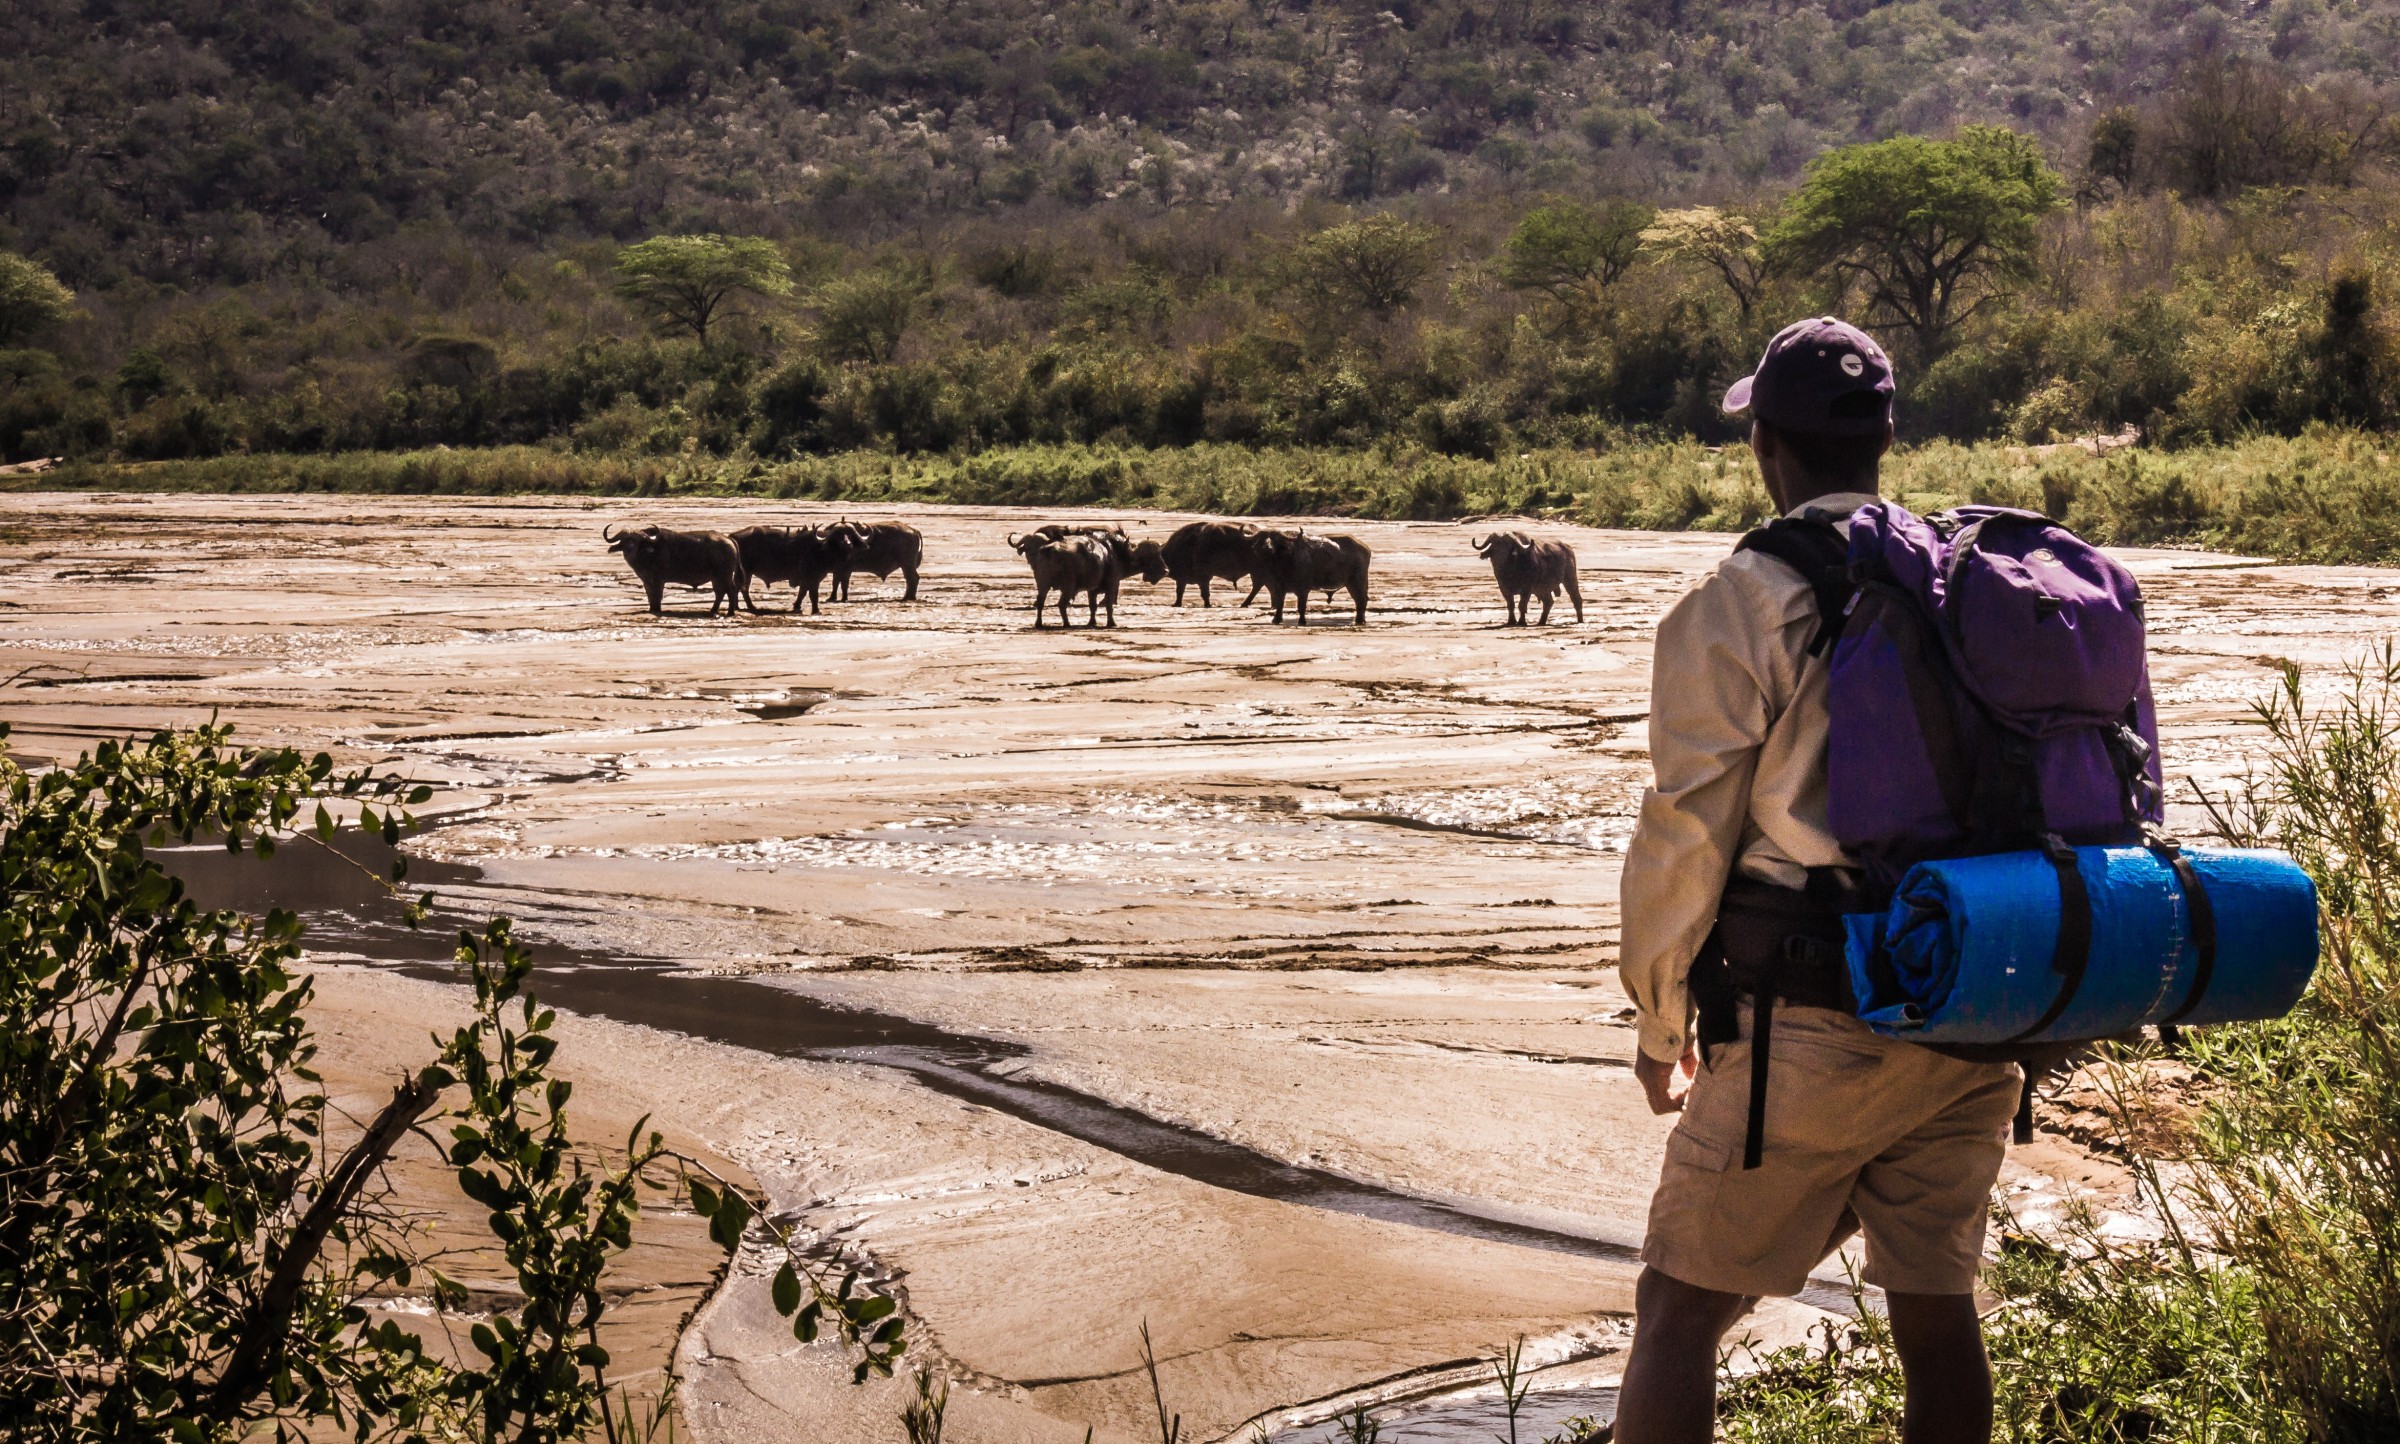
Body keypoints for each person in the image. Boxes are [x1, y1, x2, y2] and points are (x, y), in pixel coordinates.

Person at [1610, 318, 2021, 1444]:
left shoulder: (1743, 600)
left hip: (1812, 1015)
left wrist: (1659, 1021)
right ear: (1884, 438)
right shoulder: (1956, 571)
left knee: (1677, 1307)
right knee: (1934, 1314)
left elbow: (1686, 832)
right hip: (1976, 996)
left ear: (1767, 449)